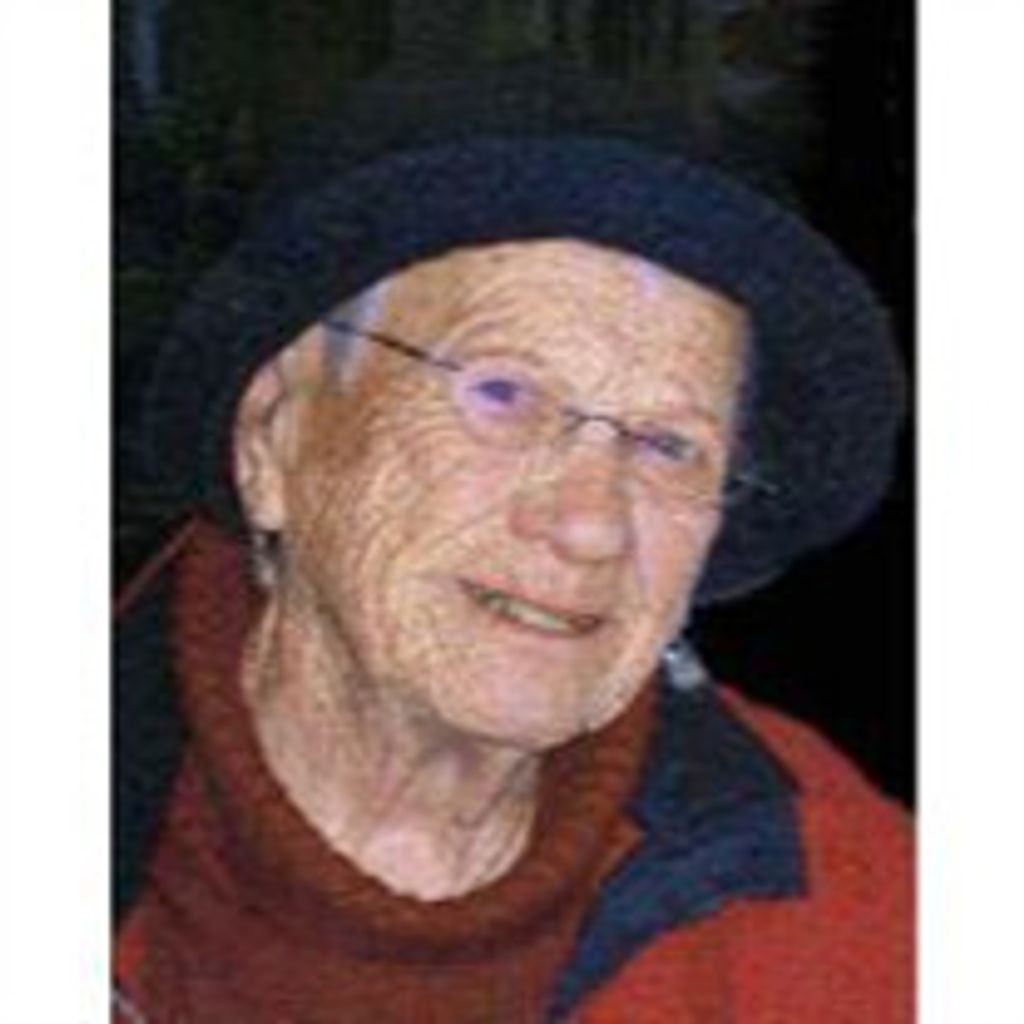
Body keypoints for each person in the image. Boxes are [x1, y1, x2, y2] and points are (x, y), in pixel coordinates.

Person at [114, 63, 911, 1022]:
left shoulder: (864, 912)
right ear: (271, 437)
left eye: (668, 445)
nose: (590, 524)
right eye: (503, 394)